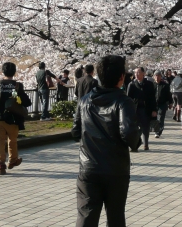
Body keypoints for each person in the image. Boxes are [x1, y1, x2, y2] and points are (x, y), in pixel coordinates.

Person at [72, 55, 141, 227]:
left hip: (89, 167)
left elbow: (75, 131)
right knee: (116, 216)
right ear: (121, 77)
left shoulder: (84, 101)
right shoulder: (123, 101)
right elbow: (129, 132)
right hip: (116, 169)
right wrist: (136, 143)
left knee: (86, 215)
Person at [0, 62, 32, 175]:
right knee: (12, 140)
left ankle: (0, 164)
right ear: (14, 72)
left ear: (3, 71)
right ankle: (12, 160)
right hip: (13, 118)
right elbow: (27, 102)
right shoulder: (17, 85)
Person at [127, 67, 156, 151]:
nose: (137, 74)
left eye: (139, 72)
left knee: (145, 127)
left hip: (145, 109)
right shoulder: (131, 84)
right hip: (135, 109)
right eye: (135, 73)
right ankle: (134, 145)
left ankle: (145, 144)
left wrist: (154, 110)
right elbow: (128, 98)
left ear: (143, 73)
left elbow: (152, 98)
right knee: (134, 128)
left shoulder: (149, 84)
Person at [153, 71, 173, 138]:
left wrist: (170, 102)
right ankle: (156, 130)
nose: (157, 77)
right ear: (153, 77)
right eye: (156, 75)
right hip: (154, 104)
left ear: (161, 77)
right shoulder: (151, 85)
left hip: (162, 104)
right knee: (155, 118)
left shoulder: (165, 85)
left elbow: (168, 95)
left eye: (158, 76)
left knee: (161, 118)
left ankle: (158, 132)